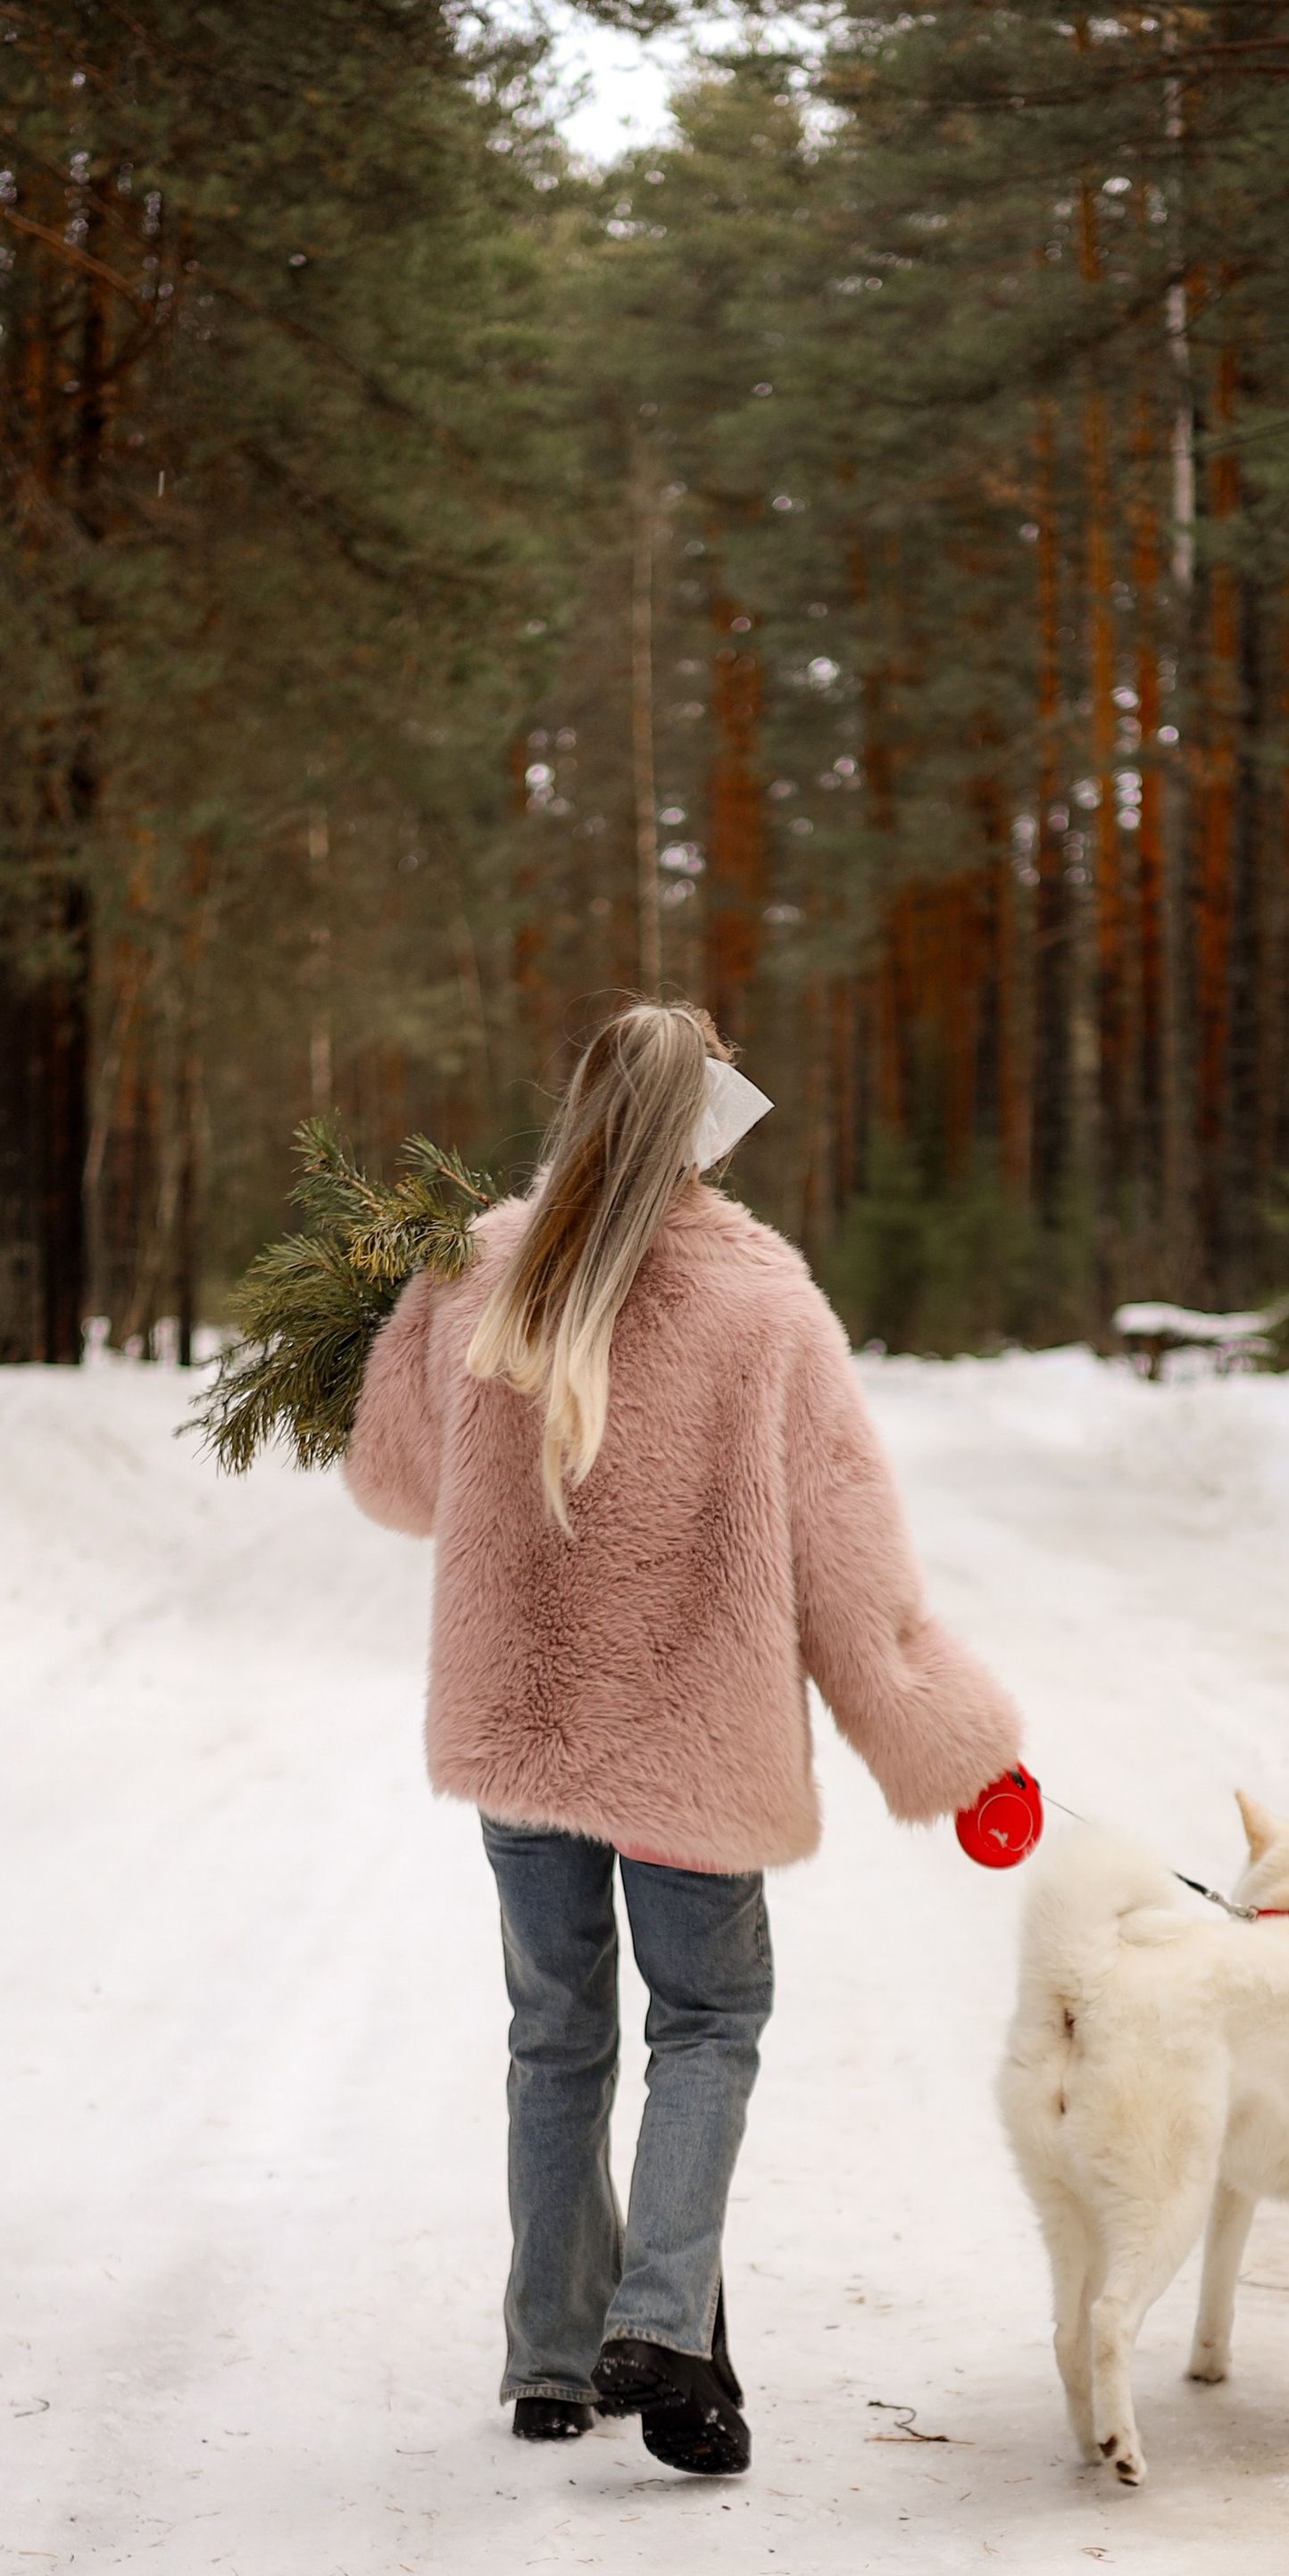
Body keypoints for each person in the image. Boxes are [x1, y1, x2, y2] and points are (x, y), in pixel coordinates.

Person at [343, 1001, 1020, 2476]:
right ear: (710, 1117)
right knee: (707, 2021)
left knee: (556, 2032)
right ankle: (654, 2317)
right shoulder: (766, 1304)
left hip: (520, 1729)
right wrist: (948, 1745)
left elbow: (398, 1480)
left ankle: (548, 2358)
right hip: (685, 1754)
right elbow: (855, 1571)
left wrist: (406, 1316)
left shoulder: (479, 1265)